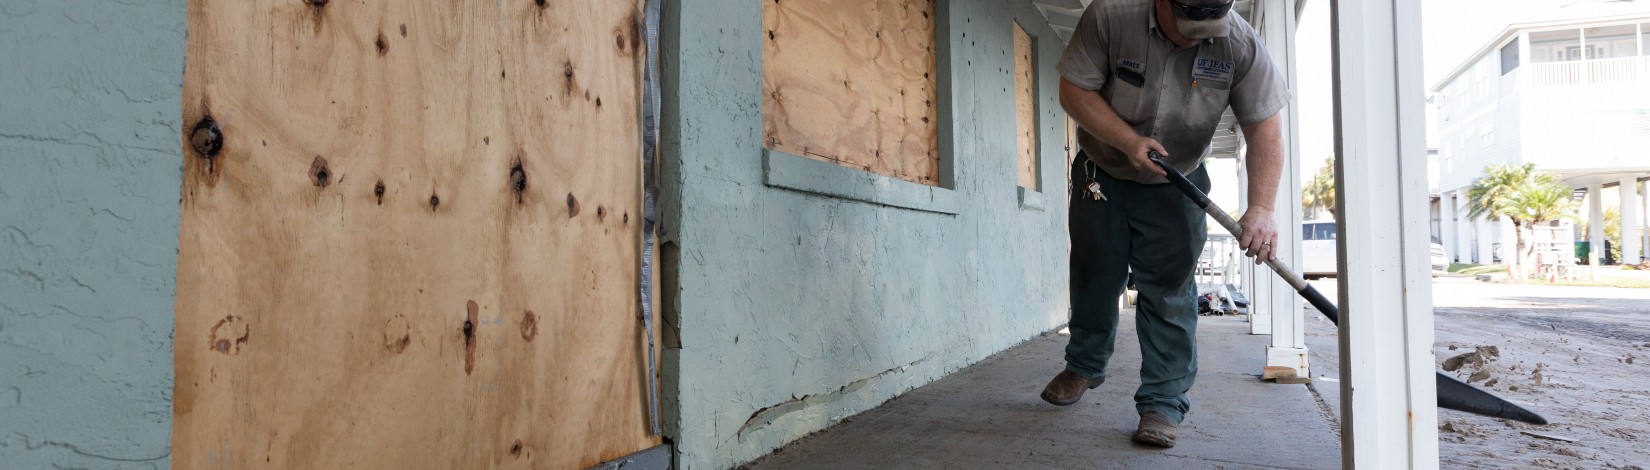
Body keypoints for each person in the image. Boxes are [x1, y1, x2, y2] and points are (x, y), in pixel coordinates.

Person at [1043, 0, 1288, 448]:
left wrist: (1262, 207)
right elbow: (1073, 91)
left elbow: (1265, 128)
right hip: (1103, 171)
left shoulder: (1239, 42)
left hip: (1179, 182)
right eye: (1189, 24)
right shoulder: (1111, 16)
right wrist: (1129, 140)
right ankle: (1084, 364)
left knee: (1170, 292)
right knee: (1094, 278)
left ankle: (1163, 402)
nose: (1199, 35)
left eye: (1209, 27)